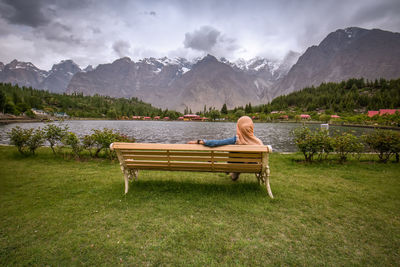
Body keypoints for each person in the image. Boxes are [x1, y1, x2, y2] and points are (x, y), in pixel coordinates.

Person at [187, 116, 263, 181]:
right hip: (254, 167)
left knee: (234, 151)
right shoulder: (259, 143)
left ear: (239, 127)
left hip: (234, 165)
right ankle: (234, 173)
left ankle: (231, 170)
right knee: (241, 155)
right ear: (251, 127)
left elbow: (216, 143)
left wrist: (200, 141)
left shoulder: (236, 140)